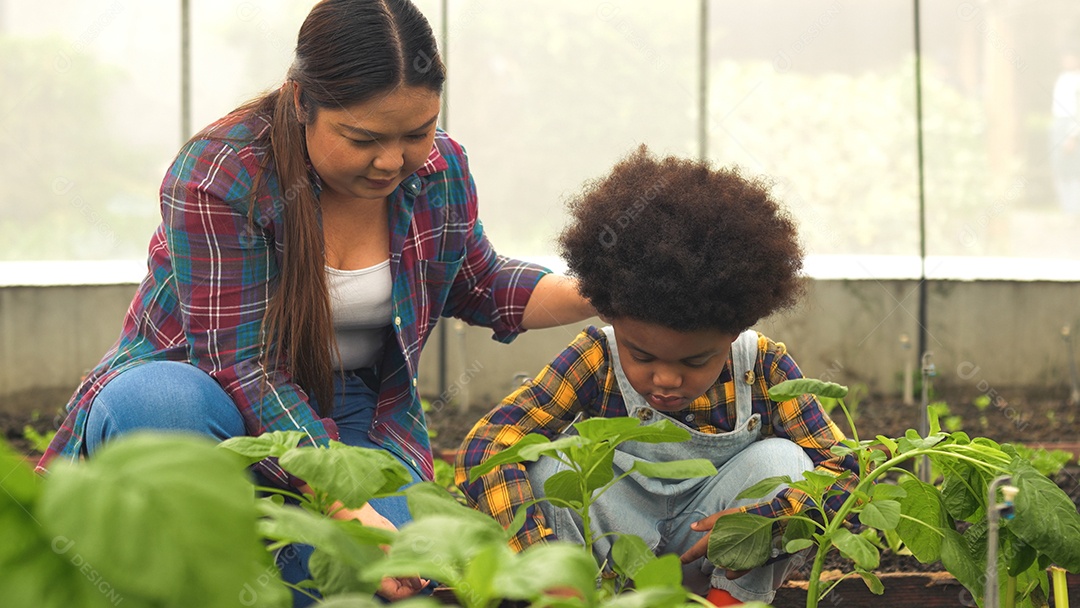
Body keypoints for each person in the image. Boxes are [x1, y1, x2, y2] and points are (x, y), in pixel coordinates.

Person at [36, 0, 593, 604]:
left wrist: (601, 291)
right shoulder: (224, 174)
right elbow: (242, 364)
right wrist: (344, 505)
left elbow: (478, 281)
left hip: (355, 411)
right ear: (302, 101)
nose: (392, 161)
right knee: (157, 409)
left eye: (417, 132)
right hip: (206, 397)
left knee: (398, 576)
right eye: (363, 138)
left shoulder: (440, 170)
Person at [456, 148, 859, 606]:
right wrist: (542, 561)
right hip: (610, 557)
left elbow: (847, 471)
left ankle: (728, 601)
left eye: (694, 361)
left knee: (784, 462)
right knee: (550, 470)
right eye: (642, 355)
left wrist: (767, 523)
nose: (665, 379)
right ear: (610, 314)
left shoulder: (762, 366)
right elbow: (486, 446)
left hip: (708, 551)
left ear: (735, 330)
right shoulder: (595, 357)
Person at [1050, 48, 1080, 214]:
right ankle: (1066, 208)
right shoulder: (1062, 78)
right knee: (1059, 167)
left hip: (1071, 126)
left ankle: (1074, 209)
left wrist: (1072, 136)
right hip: (1058, 124)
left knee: (1073, 169)